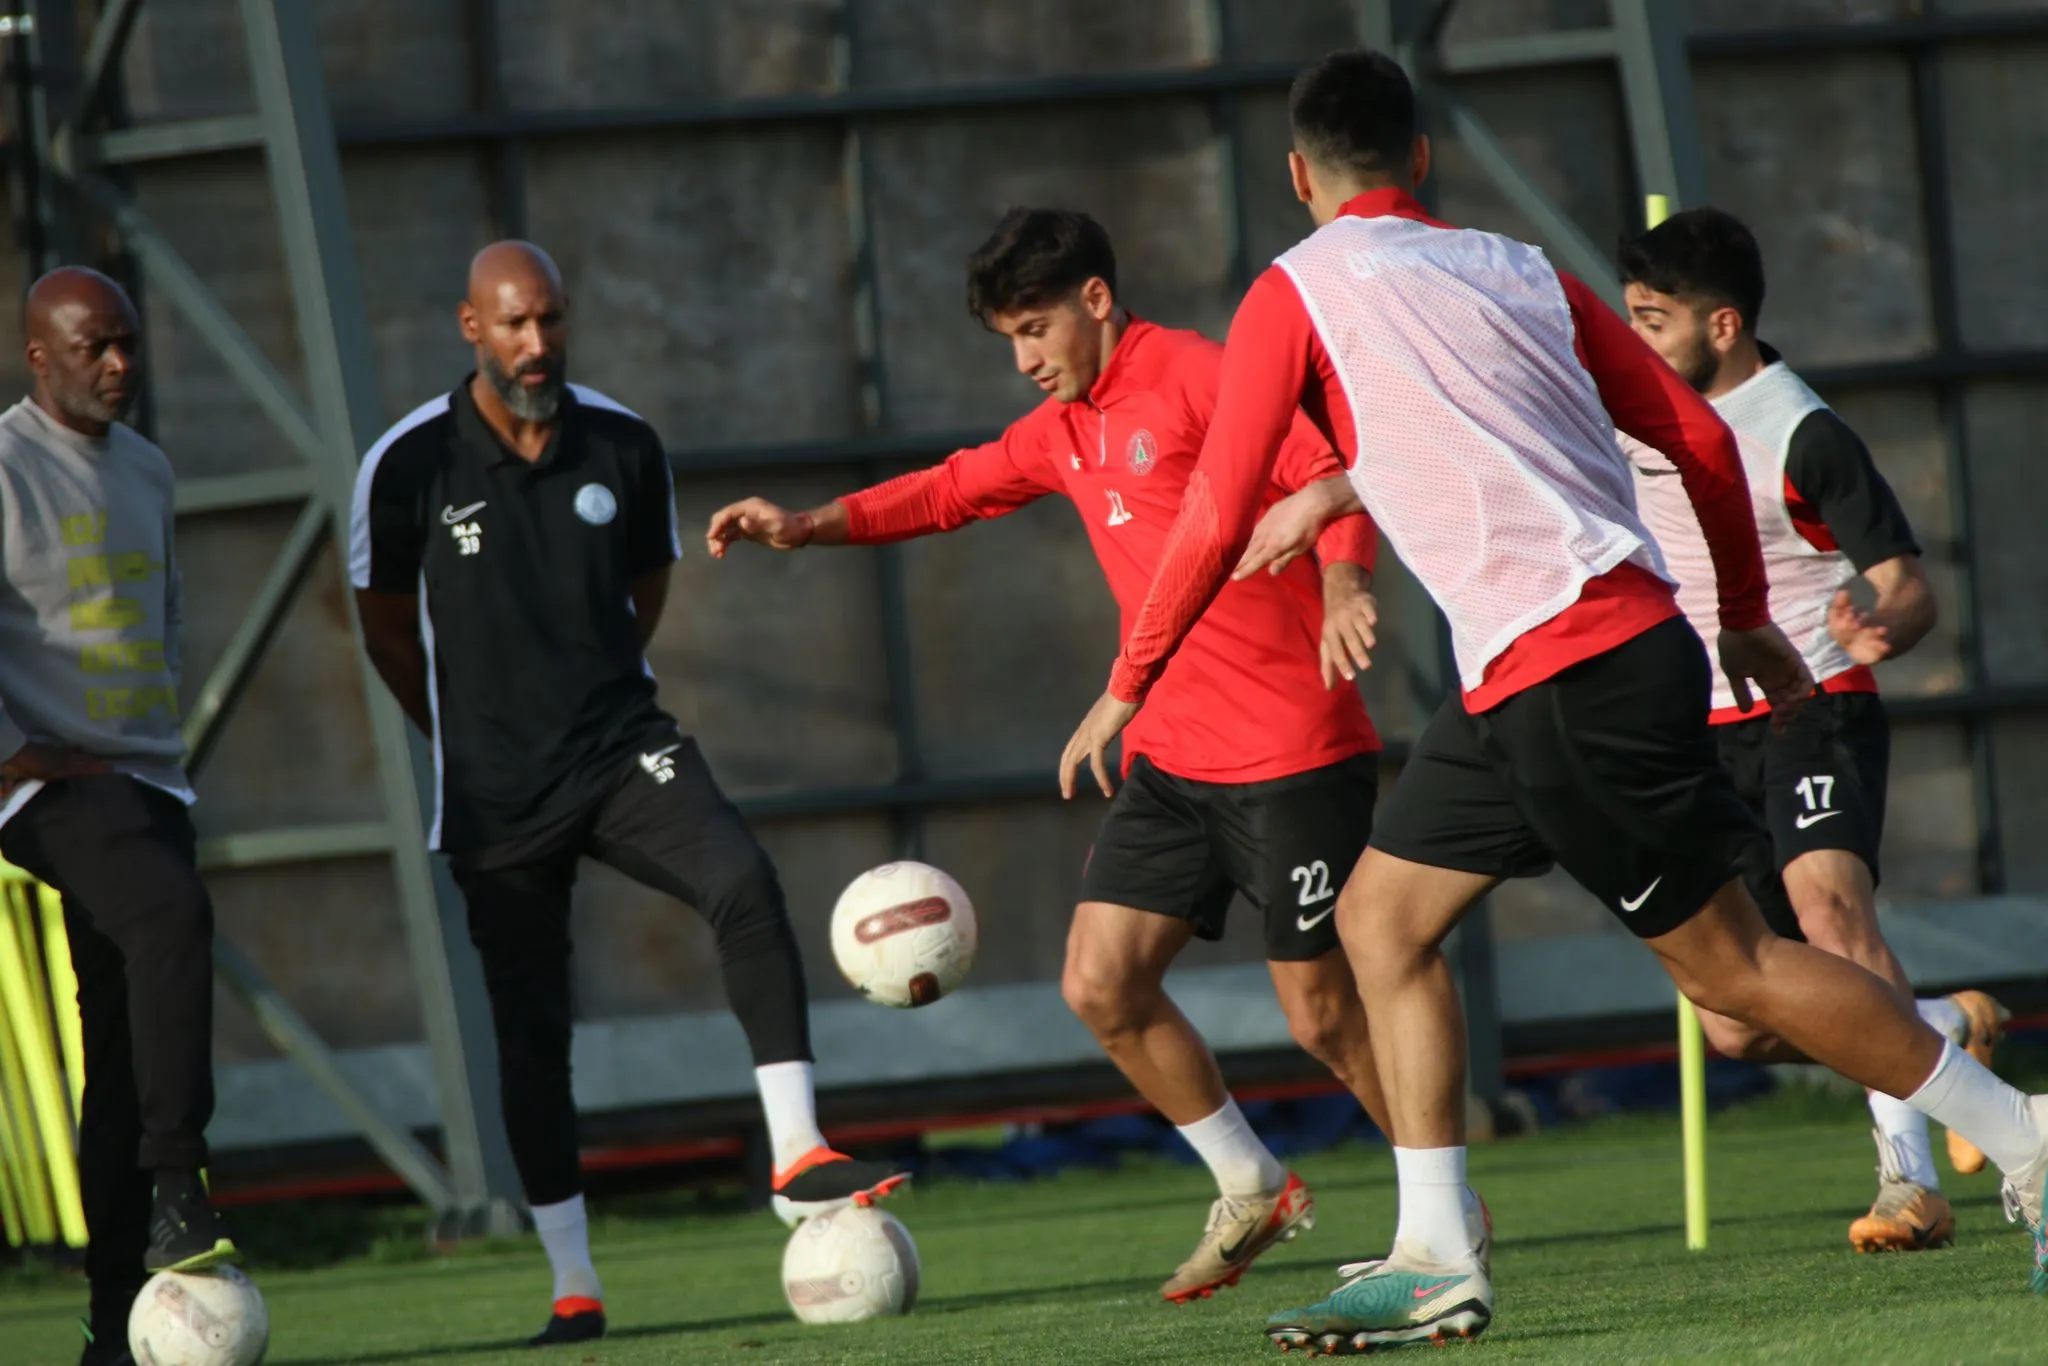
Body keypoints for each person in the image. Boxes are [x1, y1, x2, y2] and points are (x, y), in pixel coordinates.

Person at [1058, 50, 2048, 1354]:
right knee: (1380, 917)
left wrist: (1129, 681)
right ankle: (1435, 1250)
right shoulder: (1522, 266)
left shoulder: (1293, 292)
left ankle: (2024, 1138)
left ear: (1298, 175)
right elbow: (1698, 441)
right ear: (1420, 159)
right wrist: (1744, 614)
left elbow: (1215, 510)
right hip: (1550, 664)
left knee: (1739, 974)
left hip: (1568, 666)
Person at [706, 208, 1481, 1303]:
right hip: (1168, 757)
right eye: (1008, 342)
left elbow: (1332, 463)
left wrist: (1346, 581)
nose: (1024, 360)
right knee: (1100, 981)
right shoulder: (1058, 430)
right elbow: (943, 490)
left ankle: (1443, 1214)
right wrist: (807, 524)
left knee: (1319, 1012)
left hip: (1291, 749)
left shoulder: (1202, 375)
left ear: (1096, 301)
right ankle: (1250, 1182)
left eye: (1034, 330)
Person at [348, 241, 907, 1347]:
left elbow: (645, 587)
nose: (536, 343)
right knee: (530, 1033)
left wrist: (590, 687)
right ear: (472, 328)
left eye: (550, 319)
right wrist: (462, 735)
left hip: (620, 748)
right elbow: (380, 626)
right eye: (512, 324)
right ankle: (573, 1285)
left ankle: (796, 1155)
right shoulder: (406, 464)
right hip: (497, 793)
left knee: (741, 877)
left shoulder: (624, 440)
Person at [1617, 206, 2009, 1253]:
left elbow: (1905, 581)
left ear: (1723, 323)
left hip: (1811, 700)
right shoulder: (1629, 413)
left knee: (1827, 911)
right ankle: (1932, 1029)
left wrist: (1882, 622)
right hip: (1698, 730)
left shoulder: (1801, 431)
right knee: (1734, 1017)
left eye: (1653, 320)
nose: (1636, 340)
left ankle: (1907, 1183)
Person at [0, 267, 235, 1366]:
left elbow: (168, 609)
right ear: (39, 356)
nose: (119, 365)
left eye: (128, 343)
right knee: (170, 916)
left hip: (146, 778)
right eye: (94, 347)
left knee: (124, 1049)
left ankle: (109, 1321)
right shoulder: (3, 466)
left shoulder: (147, 466)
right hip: (43, 779)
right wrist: (14, 754)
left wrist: (160, 747)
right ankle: (181, 1183)